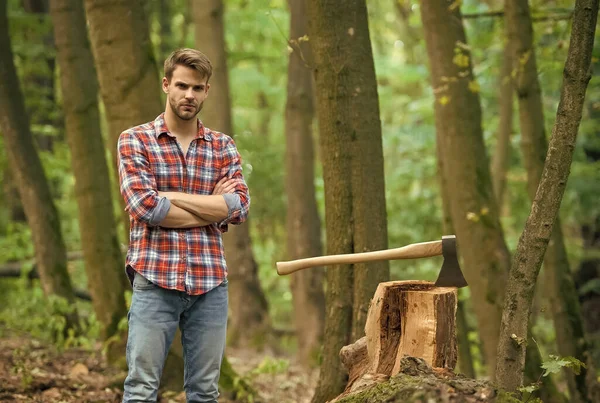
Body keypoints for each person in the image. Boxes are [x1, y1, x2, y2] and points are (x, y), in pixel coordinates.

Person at [118, 48, 250, 402]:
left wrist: (171, 196)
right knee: (141, 388)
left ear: (207, 91)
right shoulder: (135, 140)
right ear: (166, 85)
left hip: (210, 284)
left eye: (197, 88)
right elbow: (145, 207)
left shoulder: (222, 146)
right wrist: (212, 208)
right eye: (181, 85)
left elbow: (238, 207)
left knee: (205, 392)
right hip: (155, 278)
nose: (189, 95)